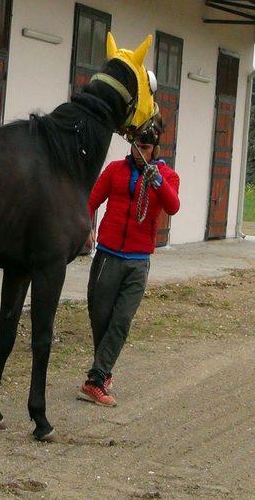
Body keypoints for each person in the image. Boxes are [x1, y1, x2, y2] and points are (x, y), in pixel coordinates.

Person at [77, 116, 180, 406]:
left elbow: (172, 206)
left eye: (145, 148)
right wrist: (88, 226)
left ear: (154, 149)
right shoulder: (114, 170)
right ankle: (103, 371)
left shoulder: (168, 176)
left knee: (121, 320)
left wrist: (157, 182)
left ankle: (95, 381)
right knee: (100, 317)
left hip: (138, 261)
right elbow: (90, 200)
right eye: (136, 146)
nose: (139, 152)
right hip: (108, 256)